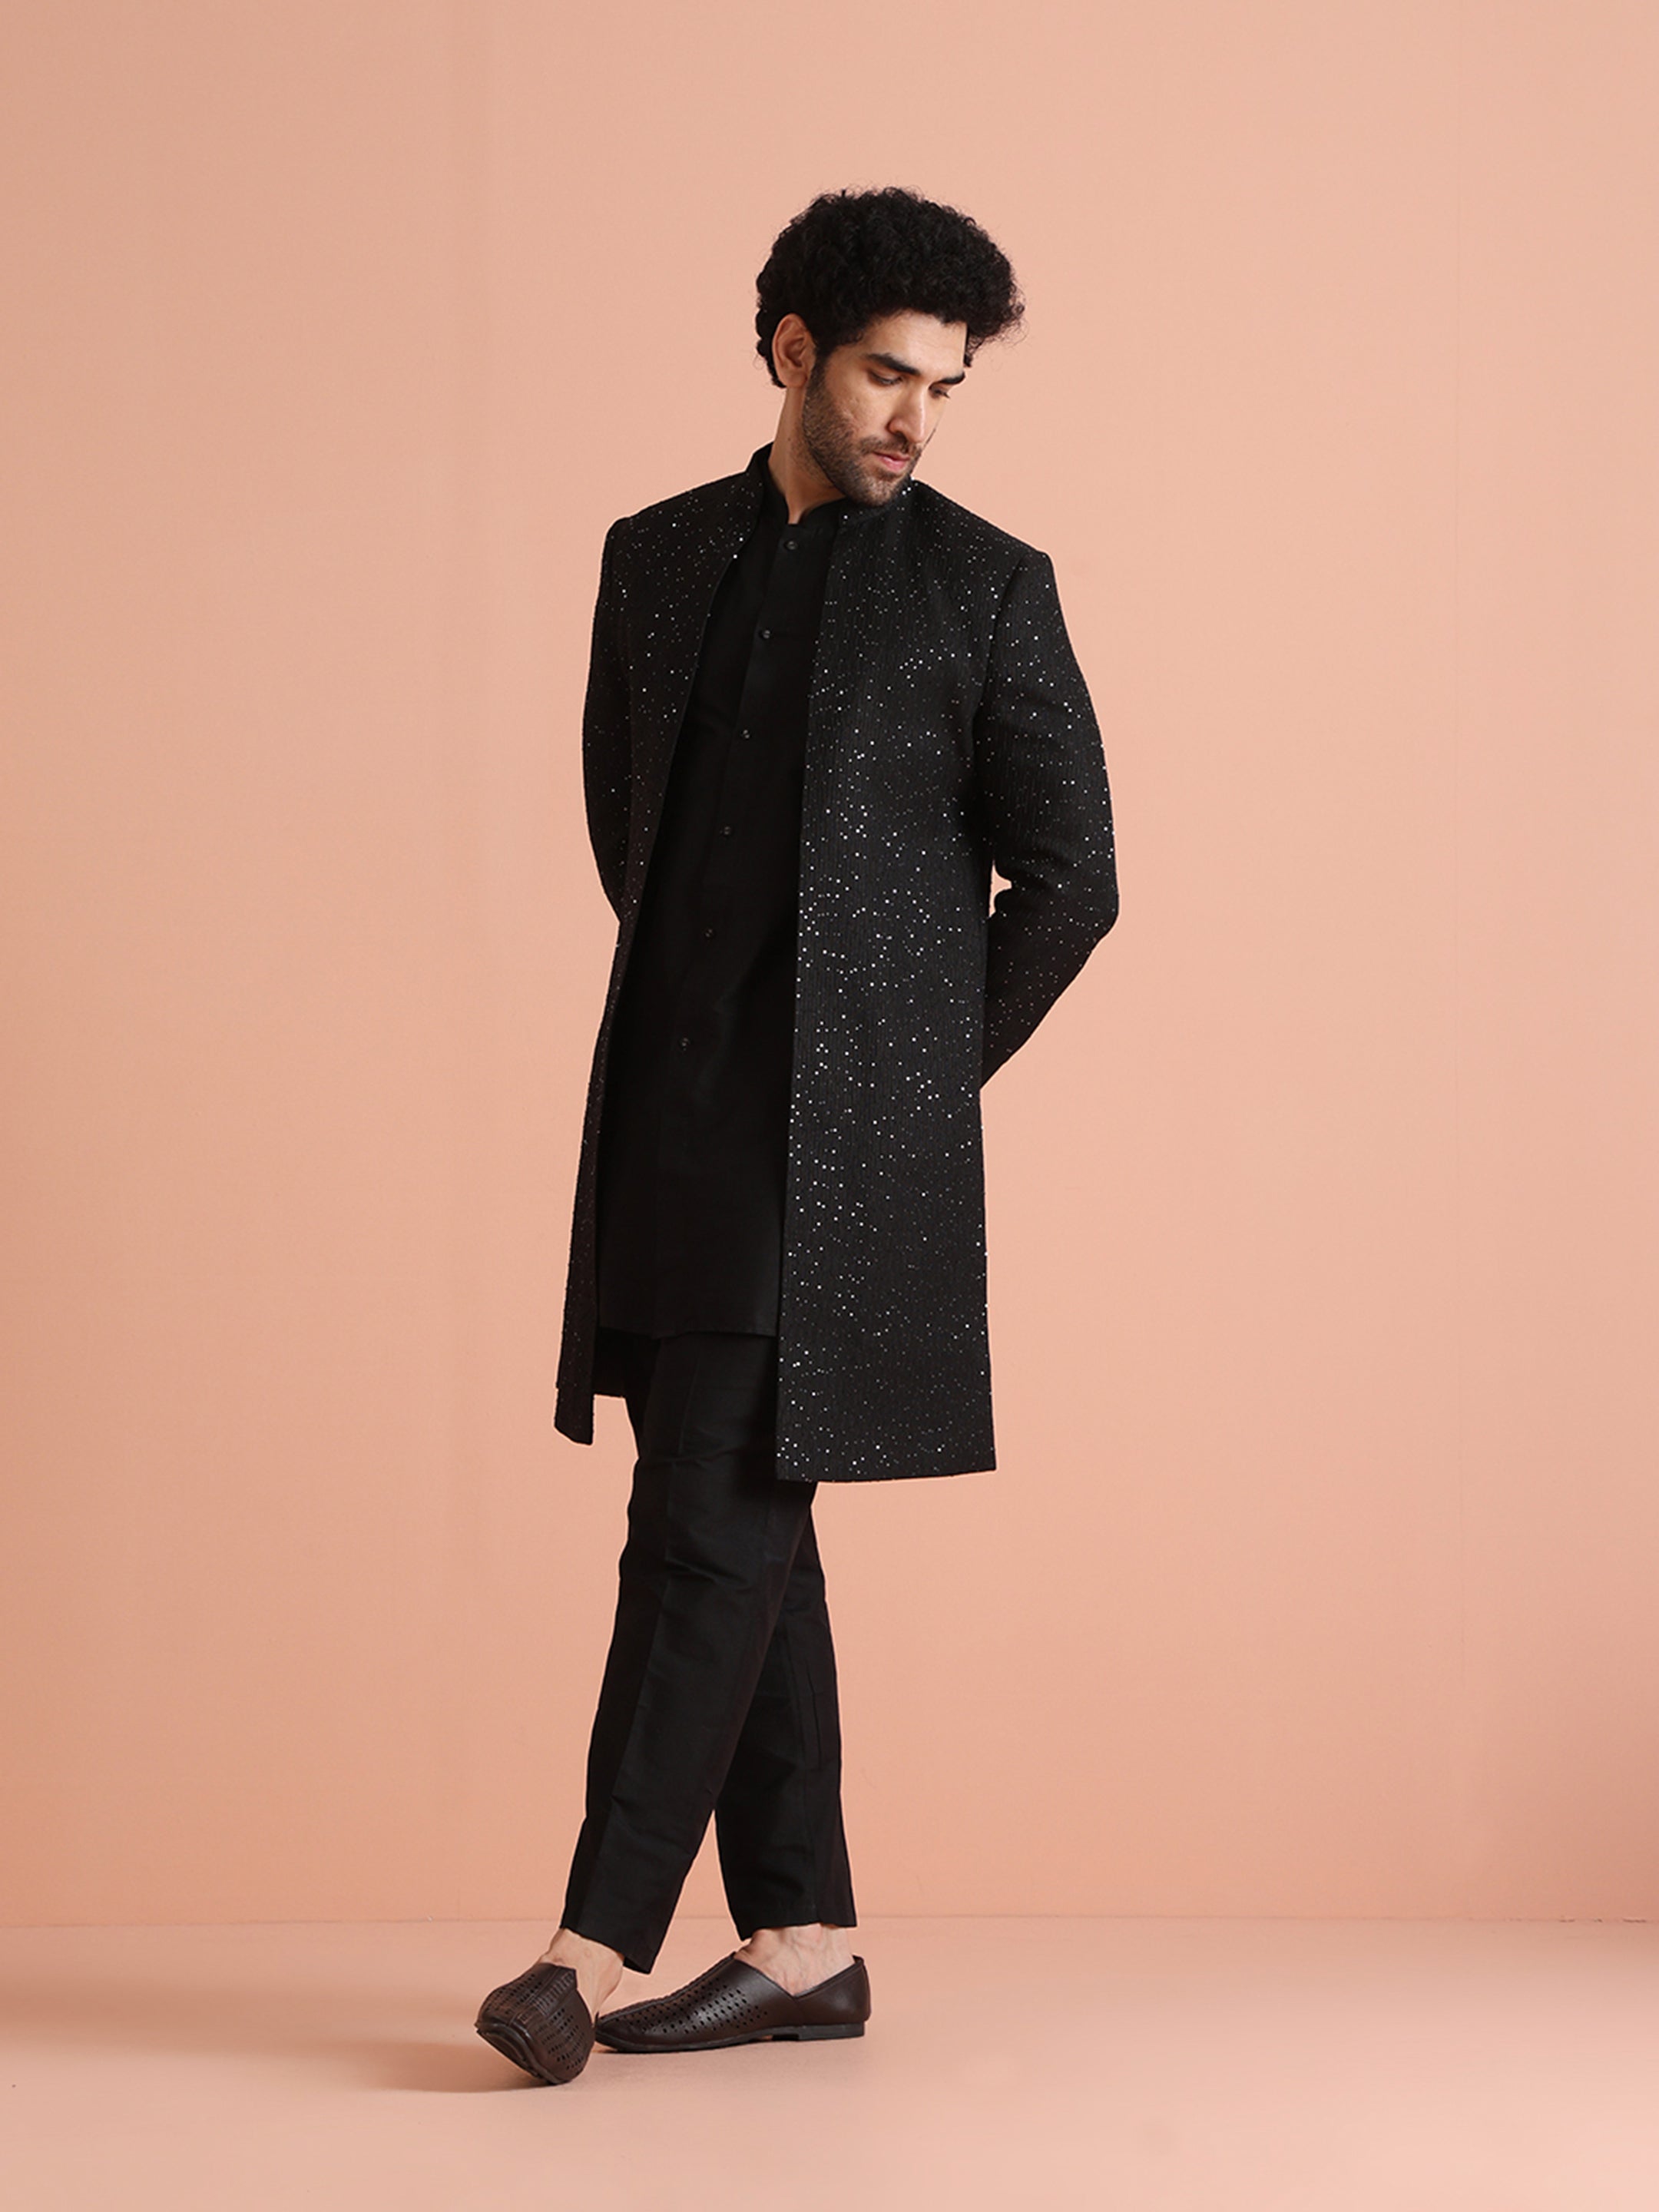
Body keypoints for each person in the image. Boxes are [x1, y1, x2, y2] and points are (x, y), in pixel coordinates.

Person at [475, 186, 1118, 2085]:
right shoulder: (657, 557)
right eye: (885, 375)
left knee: (700, 1528)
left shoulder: (987, 587)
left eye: (945, 386)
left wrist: (896, 1088)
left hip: (826, 1160)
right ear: (789, 353)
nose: (917, 417)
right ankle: (806, 1939)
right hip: (668, 1125)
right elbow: (630, 830)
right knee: (746, 1515)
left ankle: (587, 1948)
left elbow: (1072, 882)